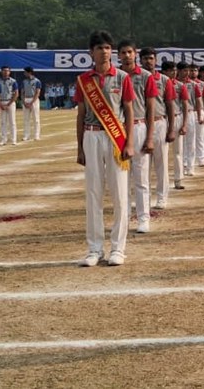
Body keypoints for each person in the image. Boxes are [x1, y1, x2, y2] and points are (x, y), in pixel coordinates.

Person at [75, 30, 136, 267]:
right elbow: (80, 115)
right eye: (99, 48)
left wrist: (129, 142)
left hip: (115, 137)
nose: (104, 52)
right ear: (91, 52)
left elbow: (128, 111)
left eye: (108, 48)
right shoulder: (83, 80)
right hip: (91, 136)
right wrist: (79, 148)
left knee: (120, 194)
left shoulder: (122, 78)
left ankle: (118, 248)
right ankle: (95, 248)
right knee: (93, 193)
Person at [117, 41, 157, 233]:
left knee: (141, 177)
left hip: (139, 126)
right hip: (117, 129)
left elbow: (151, 108)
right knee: (120, 178)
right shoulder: (115, 76)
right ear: (118, 55)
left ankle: (143, 218)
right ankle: (123, 218)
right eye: (123, 52)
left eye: (130, 52)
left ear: (135, 54)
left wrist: (149, 137)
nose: (127, 56)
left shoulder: (146, 76)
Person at [140, 49, 177, 211]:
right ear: (140, 60)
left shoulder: (164, 80)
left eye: (151, 58)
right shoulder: (136, 78)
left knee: (161, 163)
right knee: (142, 165)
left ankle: (162, 197)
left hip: (159, 123)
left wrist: (171, 129)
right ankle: (144, 199)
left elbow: (170, 105)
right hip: (141, 125)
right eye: (145, 58)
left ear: (156, 60)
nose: (148, 61)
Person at [166, 61, 190, 190]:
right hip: (162, 119)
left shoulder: (180, 86)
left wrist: (184, 124)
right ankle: (163, 182)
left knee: (178, 151)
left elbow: (185, 105)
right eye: (171, 70)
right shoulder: (159, 83)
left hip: (176, 118)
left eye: (175, 70)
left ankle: (178, 179)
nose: (174, 73)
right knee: (162, 154)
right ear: (165, 72)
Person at [0, 66, 19, 145]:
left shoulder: (13, 81)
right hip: (1, 102)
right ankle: (3, 139)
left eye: (7, 71)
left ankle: (13, 139)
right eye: (4, 70)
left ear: (9, 72)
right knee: (3, 122)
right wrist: (0, 104)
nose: (6, 72)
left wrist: (9, 104)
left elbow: (16, 93)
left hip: (10, 102)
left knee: (12, 121)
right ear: (1, 71)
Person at [22, 67, 42, 141]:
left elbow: (37, 92)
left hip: (34, 99)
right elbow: (22, 92)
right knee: (26, 119)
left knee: (36, 118)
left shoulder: (37, 81)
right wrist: (24, 101)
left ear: (29, 72)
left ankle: (36, 135)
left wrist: (32, 102)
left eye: (25, 72)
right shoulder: (24, 81)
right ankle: (26, 135)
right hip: (26, 99)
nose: (24, 73)